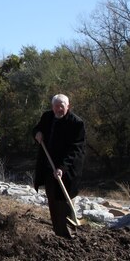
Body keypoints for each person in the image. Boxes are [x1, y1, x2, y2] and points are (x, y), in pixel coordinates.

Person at [32, 94, 86, 238]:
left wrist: (62, 168)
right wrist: (37, 133)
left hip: (67, 171)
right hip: (49, 168)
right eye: (56, 106)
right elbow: (37, 129)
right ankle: (58, 235)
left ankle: (69, 236)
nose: (58, 109)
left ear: (68, 106)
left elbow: (76, 150)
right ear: (52, 107)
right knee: (53, 203)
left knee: (65, 203)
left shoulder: (76, 123)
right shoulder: (47, 117)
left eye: (62, 106)